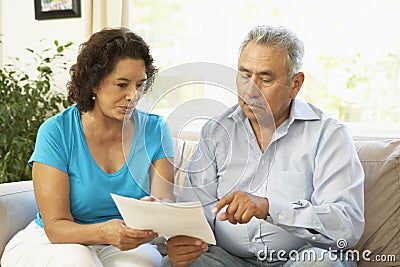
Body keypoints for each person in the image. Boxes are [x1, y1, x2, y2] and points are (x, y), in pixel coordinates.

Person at [162, 25, 364, 267]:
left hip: (301, 259)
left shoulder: (328, 134)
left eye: (265, 78)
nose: (250, 91)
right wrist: (181, 240)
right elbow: (193, 211)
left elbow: (346, 224)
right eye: (244, 75)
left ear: (295, 84)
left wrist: (269, 208)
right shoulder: (216, 131)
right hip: (228, 260)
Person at [1, 27, 174, 267]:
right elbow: (56, 227)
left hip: (122, 243)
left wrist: (157, 210)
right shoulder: (57, 132)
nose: (133, 96)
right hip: (56, 240)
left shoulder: (155, 130)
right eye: (122, 85)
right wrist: (104, 232)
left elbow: (165, 200)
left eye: (140, 85)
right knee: (79, 261)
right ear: (95, 83)